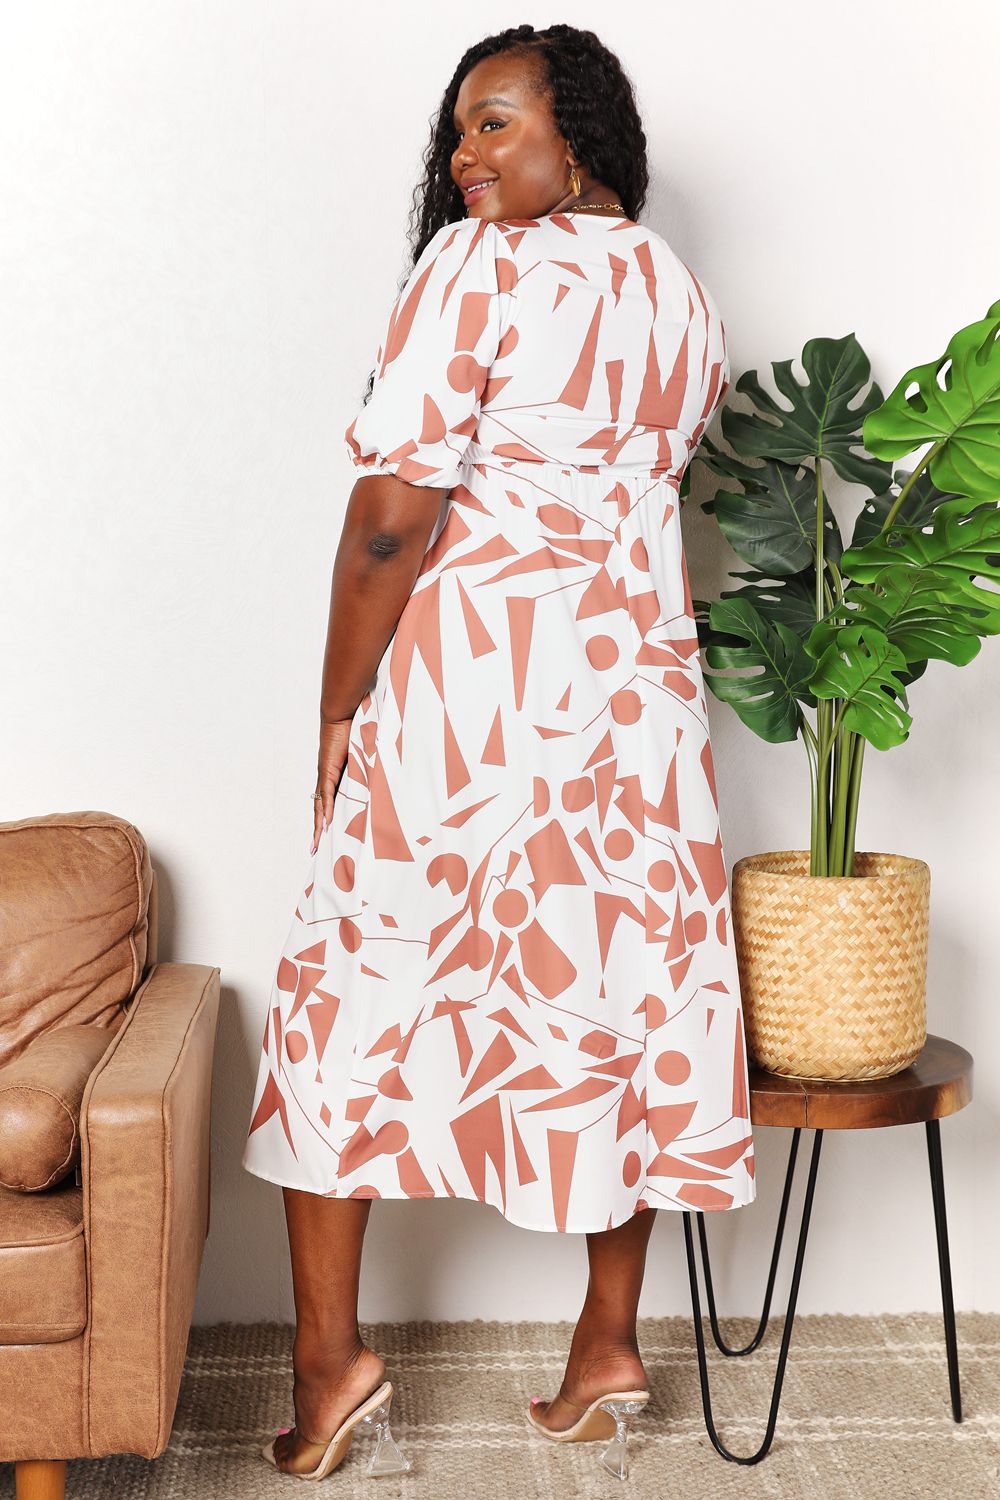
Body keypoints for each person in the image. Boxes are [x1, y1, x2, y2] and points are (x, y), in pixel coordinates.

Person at [243, 21, 756, 1483]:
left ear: (575, 135)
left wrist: (339, 708)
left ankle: (328, 1366)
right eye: (459, 131)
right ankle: (606, 1342)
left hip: (479, 699)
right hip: (637, 711)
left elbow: (395, 519)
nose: (466, 155)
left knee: (344, 998)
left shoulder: (475, 270)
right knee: (620, 992)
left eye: (498, 123)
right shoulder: (673, 288)